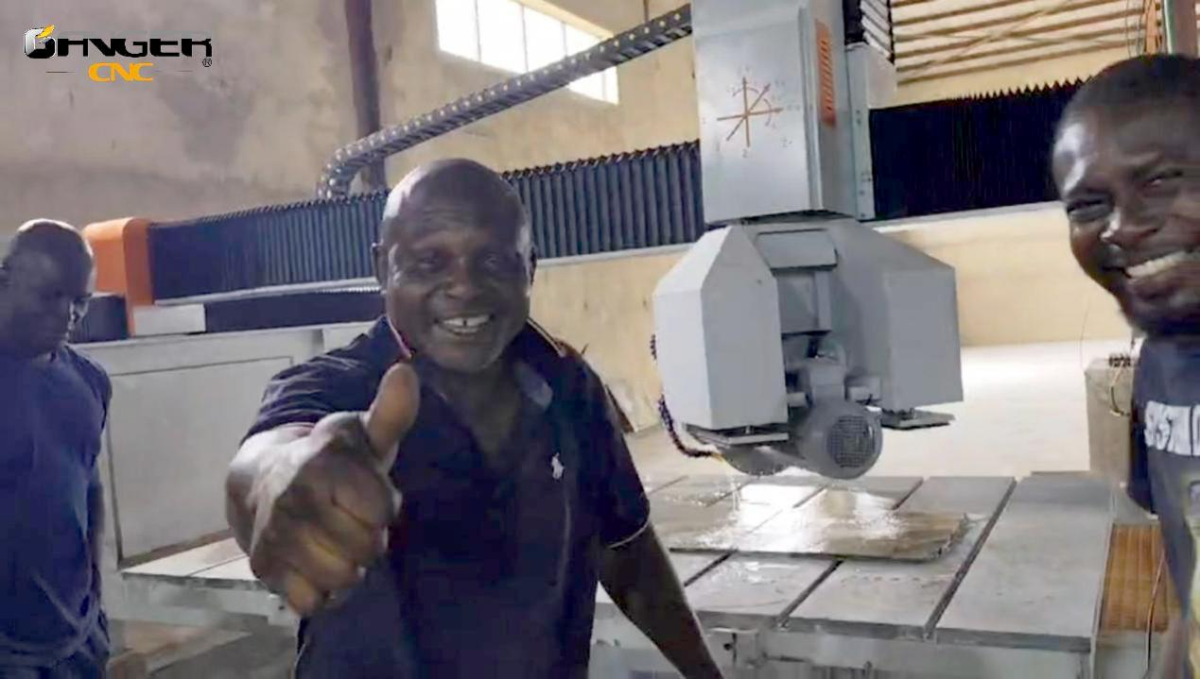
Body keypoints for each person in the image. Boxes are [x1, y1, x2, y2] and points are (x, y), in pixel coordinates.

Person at [225, 159, 724, 678]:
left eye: (492, 262)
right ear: (381, 270)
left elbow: (626, 550)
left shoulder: (569, 385)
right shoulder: (338, 385)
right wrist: (273, 479)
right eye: (428, 263)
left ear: (529, 267)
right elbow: (267, 460)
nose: (463, 287)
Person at [1054, 54, 1200, 677]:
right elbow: (1190, 602)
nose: (1120, 227)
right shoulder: (1160, 366)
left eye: (1160, 181)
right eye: (1088, 205)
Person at [0, 220, 111, 677]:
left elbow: (88, 484)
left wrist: (96, 596)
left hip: (77, 639)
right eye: (50, 296)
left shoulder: (89, 381)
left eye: (80, 301)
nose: (68, 314)